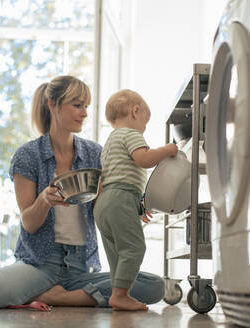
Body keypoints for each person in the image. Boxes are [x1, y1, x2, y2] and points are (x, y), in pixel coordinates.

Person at [0, 76, 165, 308]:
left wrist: (135, 206)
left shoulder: (94, 153)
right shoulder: (28, 155)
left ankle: (54, 296)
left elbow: (105, 206)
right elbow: (29, 223)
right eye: (77, 105)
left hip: (79, 266)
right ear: (53, 105)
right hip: (40, 265)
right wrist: (44, 201)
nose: (84, 113)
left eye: (86, 106)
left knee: (154, 286)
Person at [93, 89, 178, 311]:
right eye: (145, 122)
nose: (144, 127)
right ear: (135, 111)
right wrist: (167, 150)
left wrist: (137, 206)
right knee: (134, 248)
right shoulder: (131, 134)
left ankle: (118, 293)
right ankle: (120, 295)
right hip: (120, 198)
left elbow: (117, 177)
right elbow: (144, 159)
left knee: (117, 253)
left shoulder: (110, 140)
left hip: (104, 203)